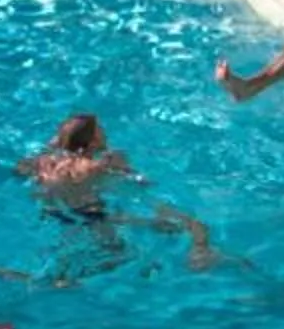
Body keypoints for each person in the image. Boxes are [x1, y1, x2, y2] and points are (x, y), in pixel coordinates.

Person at [19, 114, 217, 274]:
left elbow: (21, 169)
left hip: (53, 213)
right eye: (100, 131)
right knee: (127, 256)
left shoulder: (43, 162)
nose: (105, 135)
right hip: (91, 215)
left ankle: (57, 277)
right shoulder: (102, 164)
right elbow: (141, 182)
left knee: (70, 259)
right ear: (93, 141)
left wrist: (61, 144)